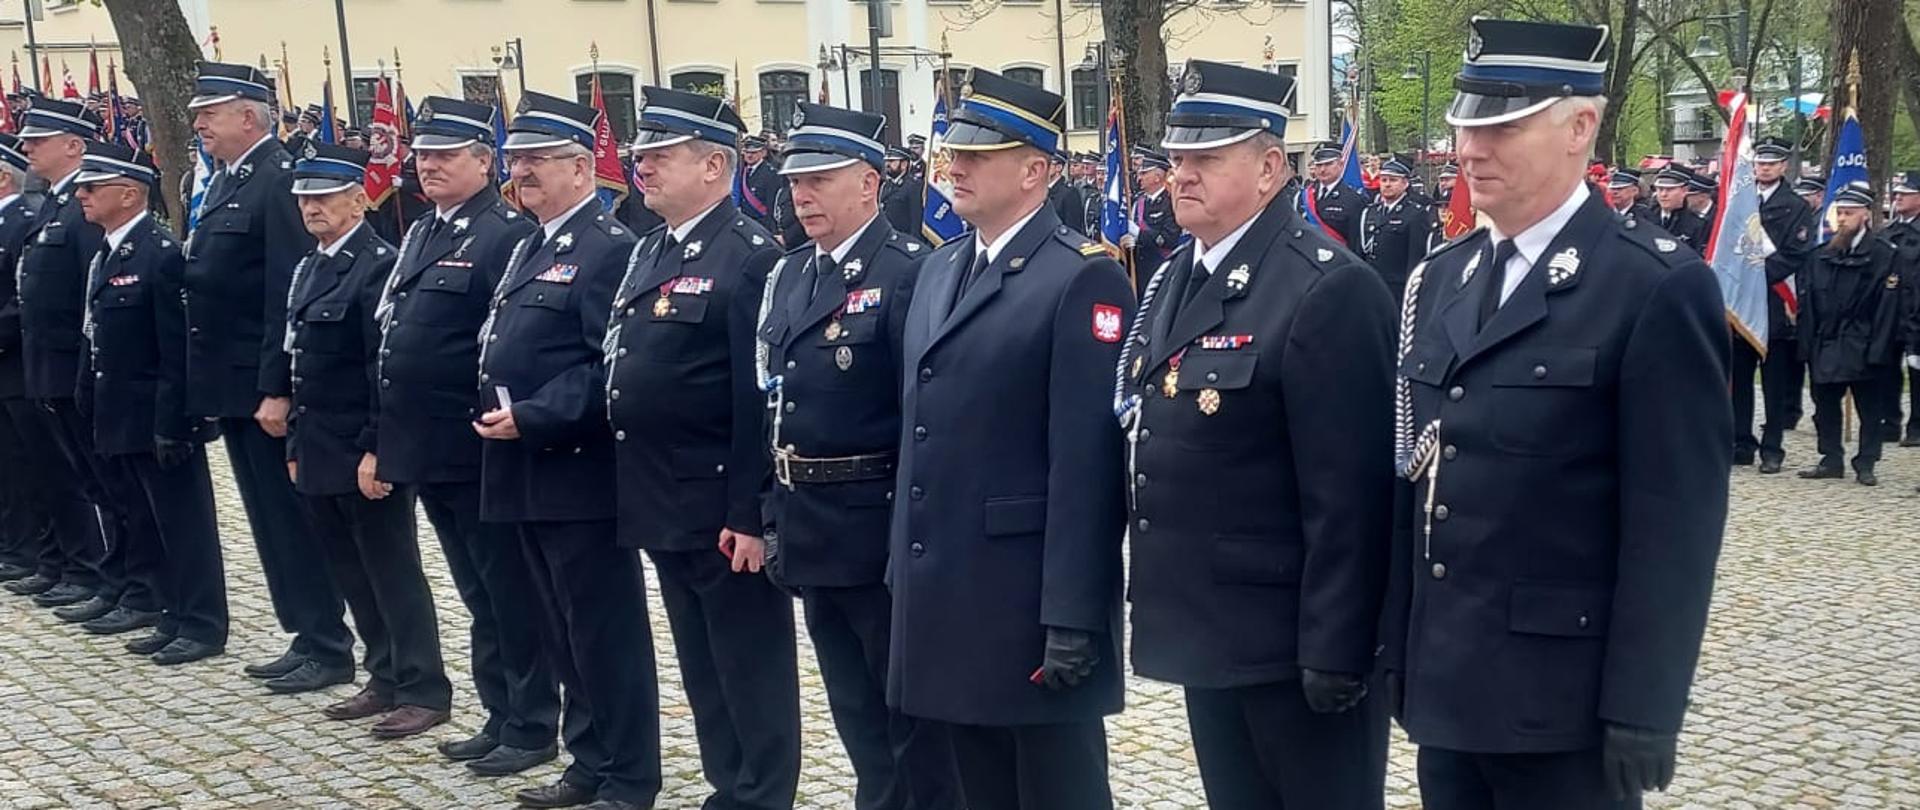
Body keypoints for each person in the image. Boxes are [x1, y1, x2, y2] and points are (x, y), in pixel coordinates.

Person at [1381, 18, 1731, 810]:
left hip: (1564, 704)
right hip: (1451, 688)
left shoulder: (1650, 287)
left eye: (1501, 126)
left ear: (1580, 126)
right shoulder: (1445, 278)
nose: (1472, 149)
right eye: (1466, 126)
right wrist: (1401, 647)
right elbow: (1419, 481)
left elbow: (1674, 523)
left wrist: (1644, 705)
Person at [1119, 60, 1395, 809]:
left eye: (1207, 158)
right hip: (1210, 629)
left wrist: (1338, 646)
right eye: (1176, 158)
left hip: (1291, 645)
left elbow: (1352, 495)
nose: (1181, 175)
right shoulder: (1181, 274)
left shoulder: (1325, 287)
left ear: (1272, 166)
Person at [889, 68, 1132, 810]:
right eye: (952, 152)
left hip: (1024, 597)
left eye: (978, 155)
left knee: (1058, 788)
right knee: (976, 784)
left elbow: (1086, 466)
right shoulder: (940, 268)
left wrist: (1074, 613)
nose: (953, 166)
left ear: (1036, 170)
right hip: (945, 586)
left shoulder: (1079, 279)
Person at [755, 102, 960, 810]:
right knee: (853, 707)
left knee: (908, 712)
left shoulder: (911, 271)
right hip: (809, 520)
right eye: (794, 183)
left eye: (819, 180)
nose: (800, 196)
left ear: (870, 184)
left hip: (876, 524)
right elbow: (775, 400)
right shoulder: (790, 275)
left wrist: (913, 536)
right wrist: (769, 510)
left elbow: (923, 417)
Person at [612, 85, 799, 810]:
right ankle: (729, 784)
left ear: (716, 166)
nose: (642, 169)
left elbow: (756, 400)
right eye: (641, 157)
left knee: (748, 661)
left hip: (719, 503)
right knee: (701, 662)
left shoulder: (748, 256)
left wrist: (751, 514)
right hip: (662, 495)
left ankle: (763, 792)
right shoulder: (653, 248)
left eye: (660, 157)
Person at [478, 91, 658, 810]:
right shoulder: (534, 242)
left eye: (537, 161)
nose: (520, 173)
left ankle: (629, 773)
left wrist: (536, 415)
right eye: (516, 160)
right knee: (558, 628)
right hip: (523, 470)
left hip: (577, 474)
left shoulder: (607, 249)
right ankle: (589, 759)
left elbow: (604, 366)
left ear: (583, 168)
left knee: (602, 632)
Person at [377, 96, 559, 774]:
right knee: (478, 594)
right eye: (423, 155)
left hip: (477, 443)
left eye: (445, 155)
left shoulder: (502, 233)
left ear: (485, 162)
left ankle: (532, 720)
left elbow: (501, 345)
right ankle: (499, 712)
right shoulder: (426, 229)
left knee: (509, 592)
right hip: (432, 447)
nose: (428, 166)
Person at [184, 62, 354, 693]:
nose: (199, 124)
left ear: (250, 116)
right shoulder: (229, 181)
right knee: (264, 516)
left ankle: (327, 640)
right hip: (231, 382)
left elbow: (287, 292)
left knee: (290, 517)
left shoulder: (277, 182)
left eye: (211, 113)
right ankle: (303, 632)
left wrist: (276, 386)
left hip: (261, 387)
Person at [280, 142, 453, 737]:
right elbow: (298, 363)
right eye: (305, 199)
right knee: (350, 569)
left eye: (325, 197)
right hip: (320, 442)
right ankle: (382, 674)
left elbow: (380, 366)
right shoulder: (311, 265)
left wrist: (377, 447)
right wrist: (296, 446)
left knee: (392, 567)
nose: (313, 208)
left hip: (361, 446)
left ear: (359, 198)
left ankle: (422, 684)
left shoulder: (377, 264)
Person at [71, 141, 230, 662]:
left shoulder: (158, 255)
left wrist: (174, 422)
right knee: (145, 518)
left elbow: (176, 347)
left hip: (156, 415)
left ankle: (202, 622)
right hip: (119, 411)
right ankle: (172, 611)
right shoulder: (109, 253)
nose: (82, 196)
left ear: (129, 192)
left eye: (92, 187)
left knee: (184, 524)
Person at [15, 98, 151, 622]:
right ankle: (115, 580)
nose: (27, 148)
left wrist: (84, 372)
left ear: (73, 145)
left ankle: (128, 584)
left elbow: (89, 300)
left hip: (80, 371)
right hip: (51, 370)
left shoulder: (81, 213)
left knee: (113, 487)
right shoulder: (54, 206)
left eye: (39, 140)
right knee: (95, 484)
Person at [1796, 181, 1902, 487]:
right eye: (1839, 213)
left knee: (1869, 409)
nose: (1842, 219)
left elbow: (1887, 308)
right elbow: (1811, 302)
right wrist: (1809, 345)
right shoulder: (1821, 255)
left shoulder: (1884, 254)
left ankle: (1866, 461)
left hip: (1864, 342)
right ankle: (1831, 458)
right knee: (1825, 406)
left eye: (1849, 213)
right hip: (1827, 343)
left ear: (1865, 215)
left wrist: (1879, 349)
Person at [0, 133, 63, 594]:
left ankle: (46, 555)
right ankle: (19, 546)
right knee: (11, 466)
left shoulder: (23, 219)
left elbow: (24, 300)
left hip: (19, 364)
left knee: (36, 466)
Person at [1743, 137, 1817, 472]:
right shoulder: (1740, 200)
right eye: (1760, 162)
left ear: (1784, 166)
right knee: (1739, 378)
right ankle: (1740, 441)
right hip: (1741, 302)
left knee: (1774, 383)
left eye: (1772, 163)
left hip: (1774, 300)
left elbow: (1795, 254)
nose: (1765, 168)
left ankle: (1772, 447)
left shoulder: (1796, 206)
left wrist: (1756, 274)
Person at [1361, 153, 1437, 302]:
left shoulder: (1416, 214)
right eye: (1384, 180)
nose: (1387, 184)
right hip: (1373, 286)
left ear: (1405, 184)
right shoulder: (1370, 212)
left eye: (1393, 180)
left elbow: (1416, 257)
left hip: (1398, 290)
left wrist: (1411, 293)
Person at [1886, 170, 1920, 447]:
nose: (1898, 197)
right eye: (1897, 193)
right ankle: (1889, 421)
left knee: (1917, 372)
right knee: (1887, 370)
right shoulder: (1890, 231)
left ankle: (1917, 426)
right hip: (1890, 314)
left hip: (1916, 314)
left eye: (1905, 193)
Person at [1123, 148, 1179, 280]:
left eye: (1144, 173)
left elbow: (1168, 239)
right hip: (1140, 268)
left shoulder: (1171, 201)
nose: (1139, 177)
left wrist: (1139, 234)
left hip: (1161, 267)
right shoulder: (1139, 201)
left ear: (1157, 177)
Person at [1305, 142, 1365, 246]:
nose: (1322, 169)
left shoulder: (1354, 199)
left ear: (1341, 165)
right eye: (1319, 165)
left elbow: (1356, 242)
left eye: (1328, 164)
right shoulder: (1304, 195)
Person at [1650, 165, 1708, 254]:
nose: (1663, 194)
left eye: (1669, 189)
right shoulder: (1646, 218)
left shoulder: (1697, 224)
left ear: (1684, 190)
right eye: (1660, 189)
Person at [739, 134, 781, 231]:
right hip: (744, 223)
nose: (749, 155)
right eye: (746, 152)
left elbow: (772, 205)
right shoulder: (741, 171)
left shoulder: (771, 174)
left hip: (762, 225)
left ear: (763, 153)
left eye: (754, 152)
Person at [1047, 153, 1086, 236]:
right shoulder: (1042, 191)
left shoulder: (1069, 193)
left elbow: (1073, 228)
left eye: (1048, 164)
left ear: (1059, 167)